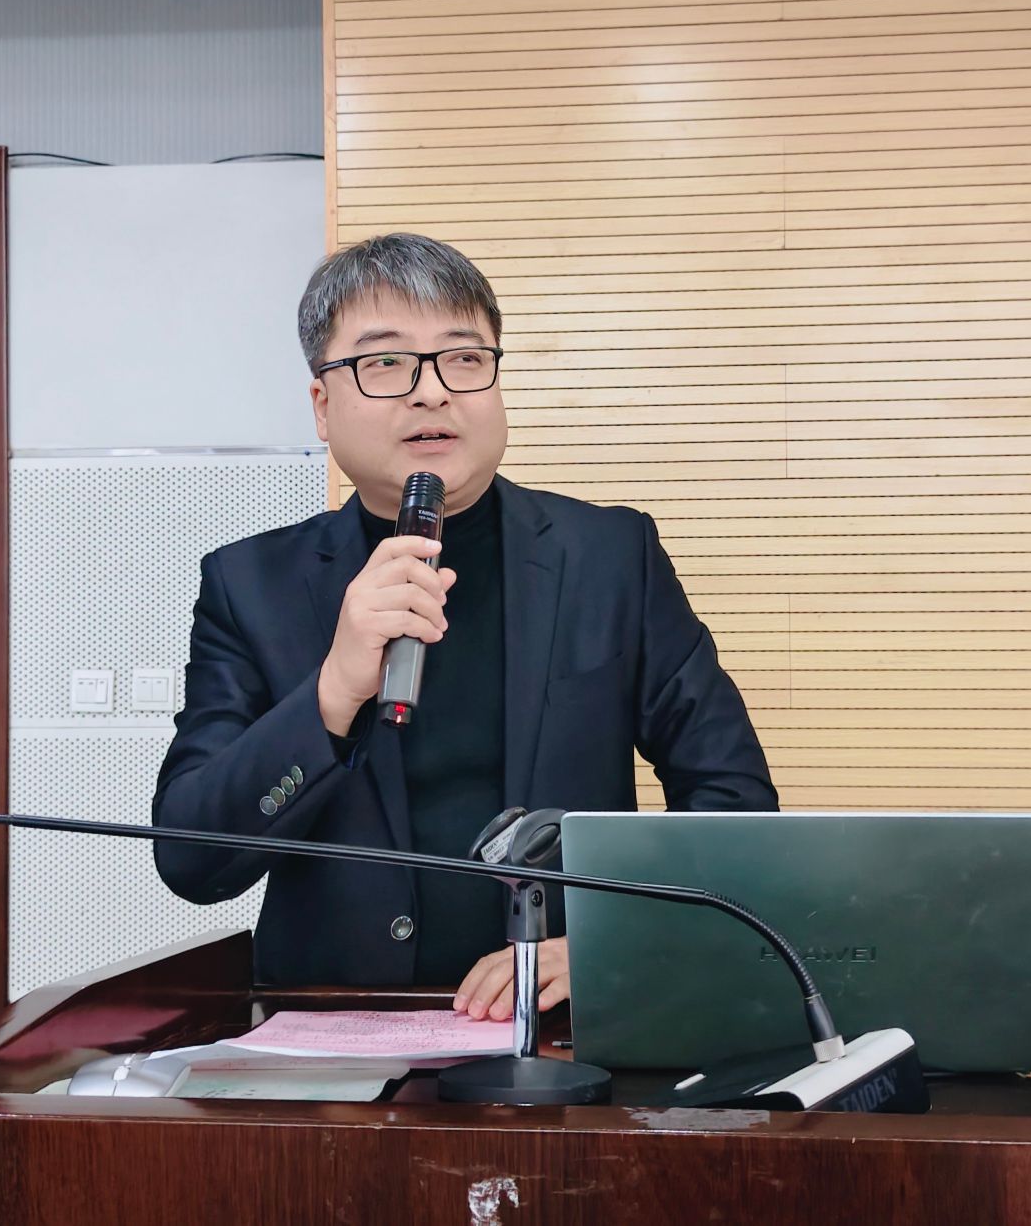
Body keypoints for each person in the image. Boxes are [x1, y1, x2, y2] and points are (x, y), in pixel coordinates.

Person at [152, 233, 776, 1021]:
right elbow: (192, 860)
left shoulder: (611, 557)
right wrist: (333, 691)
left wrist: (612, 938)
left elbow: (733, 799)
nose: (432, 392)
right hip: (335, 1033)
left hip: (559, 1034)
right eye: (386, 363)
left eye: (463, 358)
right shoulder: (250, 585)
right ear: (322, 405)